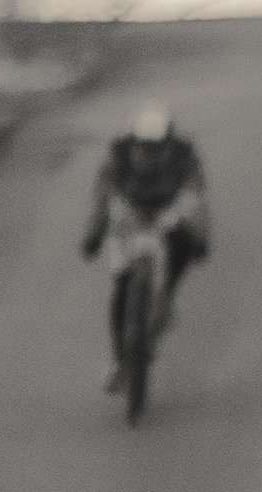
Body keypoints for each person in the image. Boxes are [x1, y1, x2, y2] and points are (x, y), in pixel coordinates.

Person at [82, 102, 211, 385]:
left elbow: (196, 198)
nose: (150, 155)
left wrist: (201, 237)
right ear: (133, 143)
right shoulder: (117, 157)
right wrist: (94, 232)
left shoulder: (185, 157)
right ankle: (118, 359)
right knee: (121, 285)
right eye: (144, 147)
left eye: (157, 148)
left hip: (169, 212)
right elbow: (102, 196)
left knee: (184, 242)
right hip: (130, 214)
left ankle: (167, 293)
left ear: (169, 143)